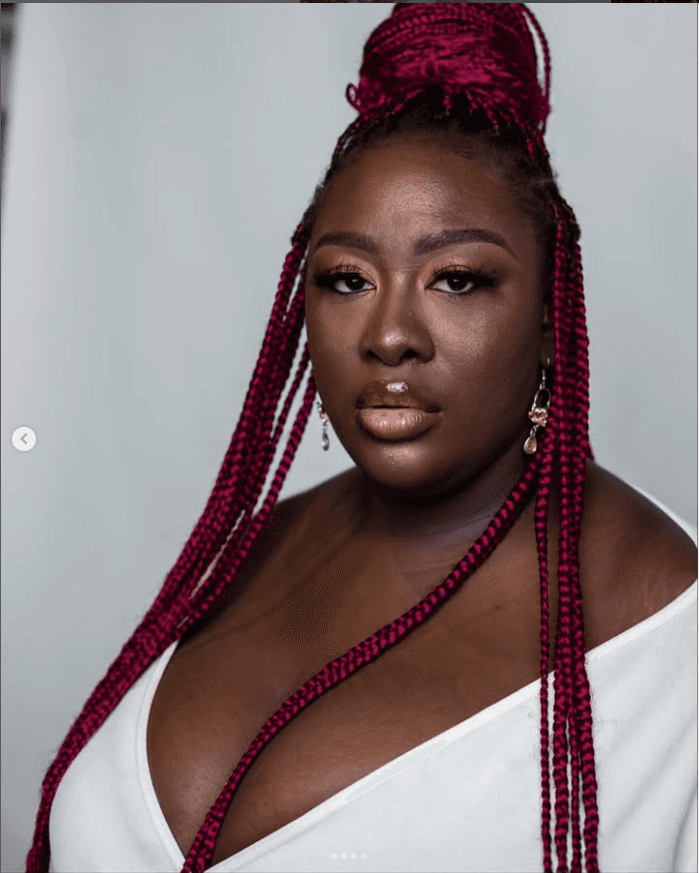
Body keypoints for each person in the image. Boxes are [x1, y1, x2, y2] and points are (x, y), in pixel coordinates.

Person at [27, 4, 697, 873]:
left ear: (547, 316)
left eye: (457, 279)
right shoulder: (245, 549)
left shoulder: (669, 648)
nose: (388, 336)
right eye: (347, 279)